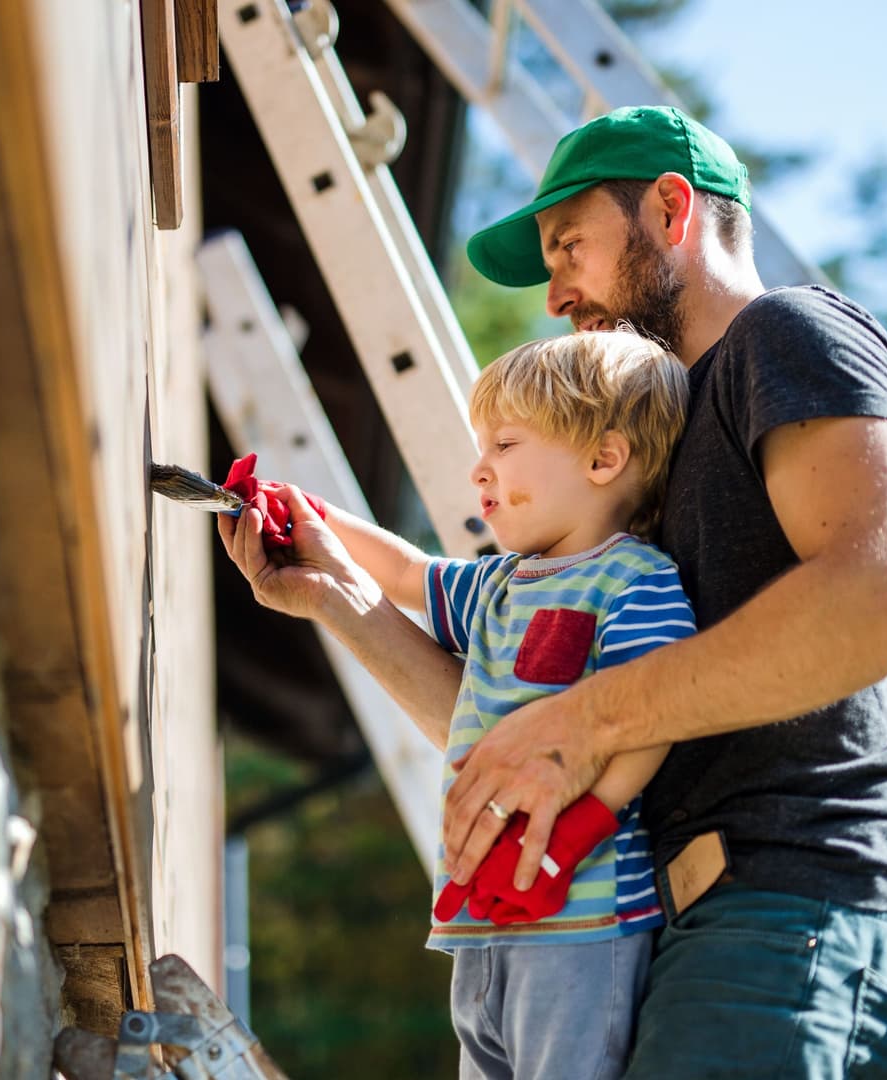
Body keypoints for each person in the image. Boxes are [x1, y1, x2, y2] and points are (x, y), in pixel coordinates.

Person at [219, 104, 887, 1076]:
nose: (557, 295)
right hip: (689, 934)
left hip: (800, 912)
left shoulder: (788, 336)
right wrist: (340, 598)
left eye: (570, 247)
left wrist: (589, 720)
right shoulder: (645, 471)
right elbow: (523, 733)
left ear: (670, 207)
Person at [226, 330, 692, 1080]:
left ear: (604, 460)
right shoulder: (501, 583)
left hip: (584, 915)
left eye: (505, 444)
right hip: (478, 914)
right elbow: (407, 573)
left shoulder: (634, 583)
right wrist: (310, 515)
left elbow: (655, 714)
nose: (479, 469)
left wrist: (587, 823)